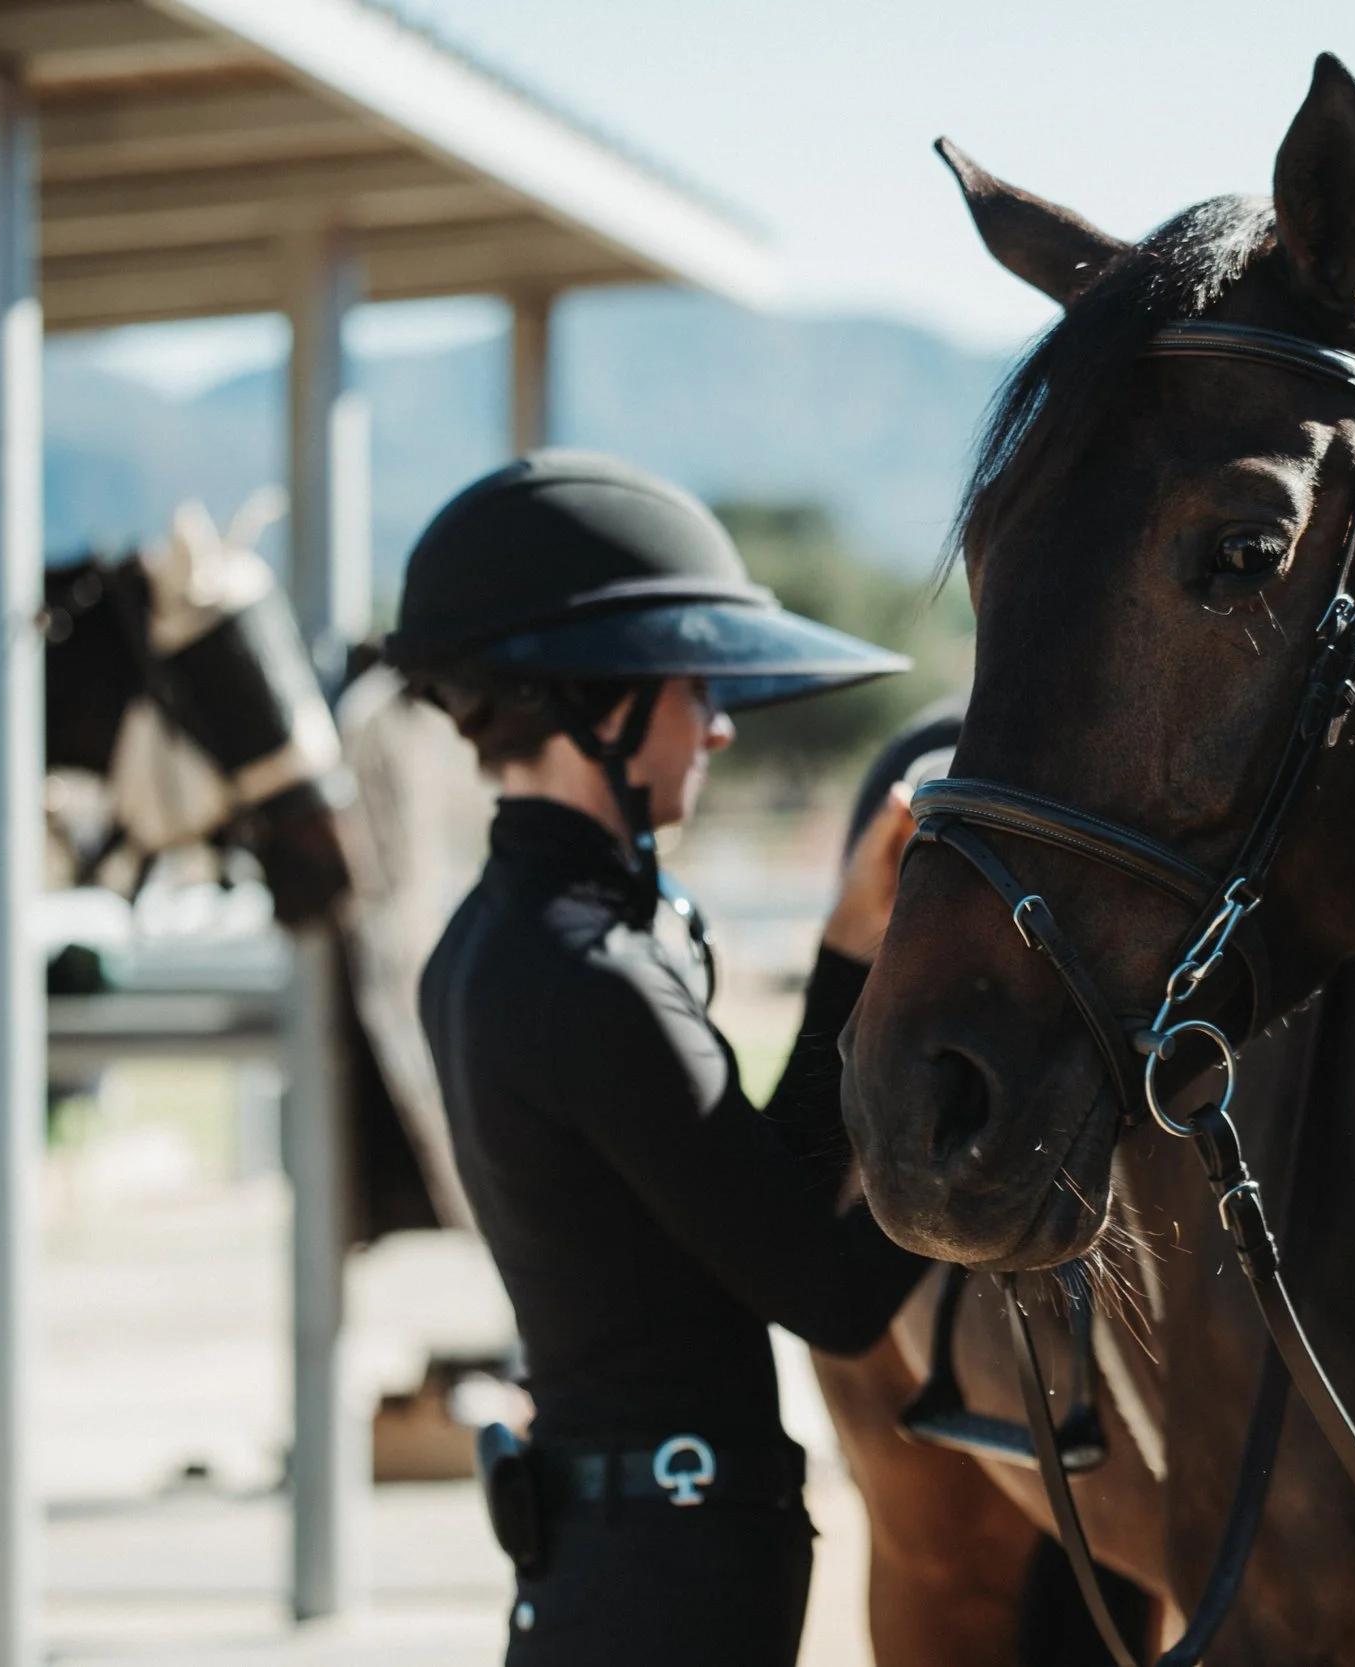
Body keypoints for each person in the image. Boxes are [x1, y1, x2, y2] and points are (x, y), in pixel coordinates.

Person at [384, 452, 930, 1667]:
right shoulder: (596, 976)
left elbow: (747, 1209)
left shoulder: (485, 945)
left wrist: (846, 955)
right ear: (600, 699)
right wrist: (995, 1132)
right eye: (696, 683)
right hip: (672, 1582)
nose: (723, 723)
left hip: (617, 1557)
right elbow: (832, 1297)